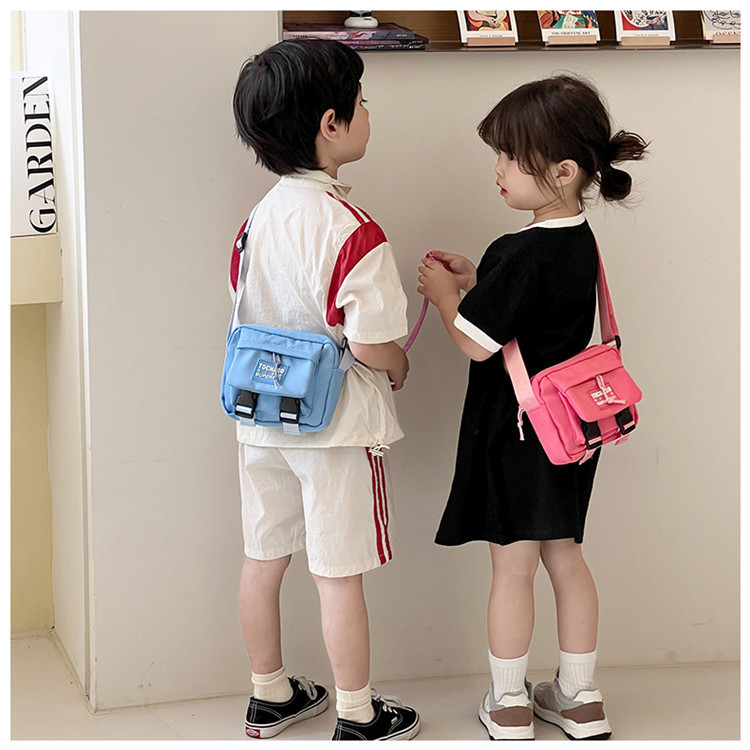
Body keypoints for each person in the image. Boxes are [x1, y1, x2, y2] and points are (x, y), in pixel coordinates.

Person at [417, 75, 647, 741]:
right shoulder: (579, 242)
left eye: (511, 157)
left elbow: (475, 343)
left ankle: (510, 701)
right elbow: (531, 313)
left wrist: (445, 297)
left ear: (563, 171)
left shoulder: (516, 251)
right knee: (567, 560)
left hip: (515, 434)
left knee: (512, 568)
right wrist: (479, 282)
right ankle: (580, 698)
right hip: (573, 431)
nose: (498, 169)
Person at [230, 39, 419, 741]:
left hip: (258, 417)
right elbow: (370, 343)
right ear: (331, 125)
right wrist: (398, 367)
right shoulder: (352, 231)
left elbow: (245, 303)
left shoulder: (256, 220)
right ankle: (358, 714)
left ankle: (269, 694)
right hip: (335, 427)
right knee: (337, 574)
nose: (369, 114)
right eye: (362, 103)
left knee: (263, 559)